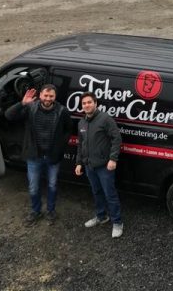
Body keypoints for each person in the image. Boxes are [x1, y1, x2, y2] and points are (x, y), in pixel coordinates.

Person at [5, 84, 72, 225]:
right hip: (34, 156)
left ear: (55, 97)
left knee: (52, 185)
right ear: (40, 95)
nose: (48, 98)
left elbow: (68, 129)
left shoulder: (62, 111)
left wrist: (60, 147)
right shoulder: (31, 108)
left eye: (51, 96)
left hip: (53, 157)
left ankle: (50, 210)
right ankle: (35, 211)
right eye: (45, 95)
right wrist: (22, 103)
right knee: (34, 186)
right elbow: (8, 116)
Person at [75, 92, 123, 238]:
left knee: (110, 194)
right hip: (90, 165)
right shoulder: (82, 122)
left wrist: (113, 159)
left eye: (89, 102)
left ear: (95, 103)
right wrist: (79, 163)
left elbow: (117, 139)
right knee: (96, 192)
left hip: (104, 166)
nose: (87, 105)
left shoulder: (105, 119)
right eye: (84, 103)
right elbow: (80, 145)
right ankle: (101, 216)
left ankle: (117, 222)